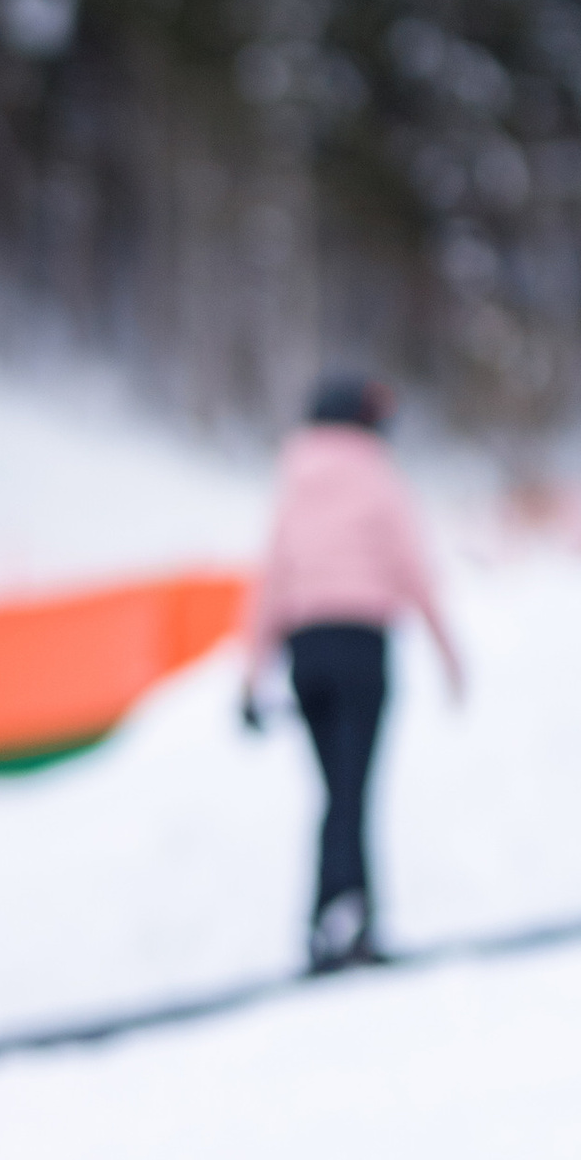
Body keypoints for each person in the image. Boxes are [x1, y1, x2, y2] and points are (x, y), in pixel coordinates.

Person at [242, 370, 464, 973]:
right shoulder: (376, 476)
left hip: (306, 648)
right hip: (361, 644)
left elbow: (270, 578)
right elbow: (414, 569)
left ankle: (328, 921)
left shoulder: (294, 480)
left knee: (333, 792)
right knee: (354, 789)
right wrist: (448, 653)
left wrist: (253, 673)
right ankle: (351, 918)